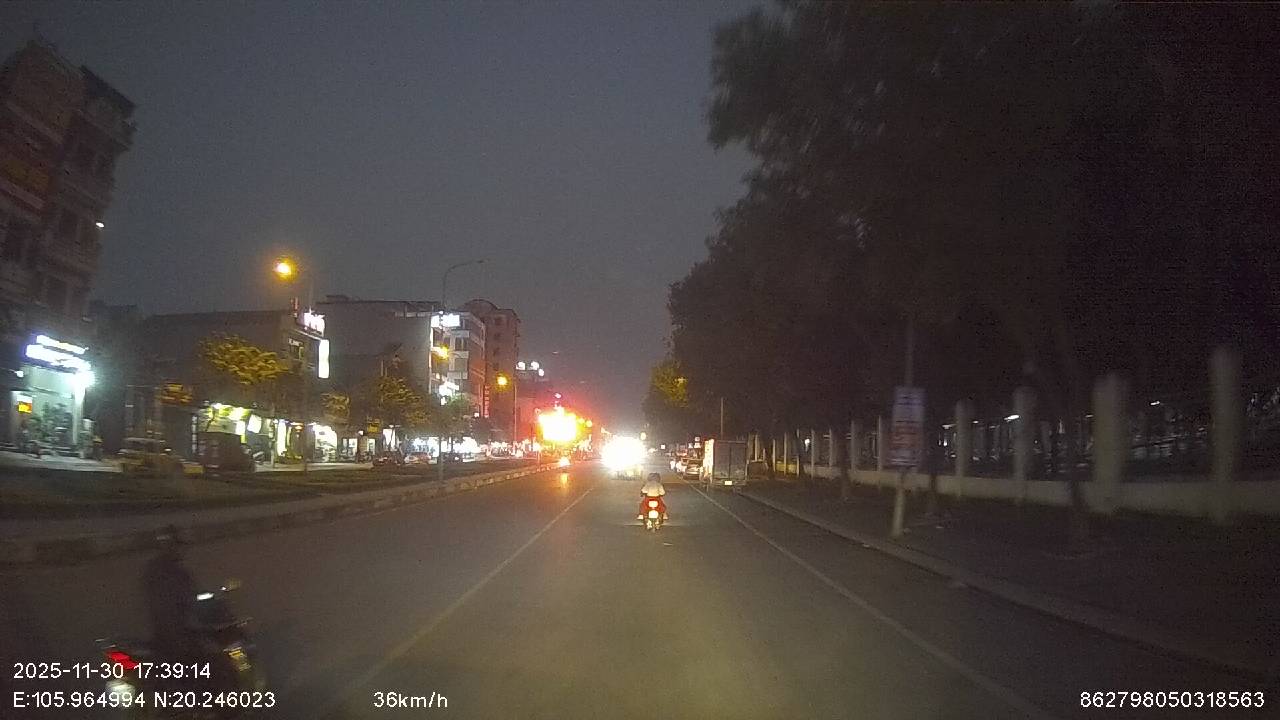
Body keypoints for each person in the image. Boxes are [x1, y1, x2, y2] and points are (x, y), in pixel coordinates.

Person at [141, 525, 200, 662]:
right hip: (173, 633)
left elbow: (191, 594)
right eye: (177, 545)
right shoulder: (166, 571)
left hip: (174, 629)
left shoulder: (170, 568)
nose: (182, 550)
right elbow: (174, 601)